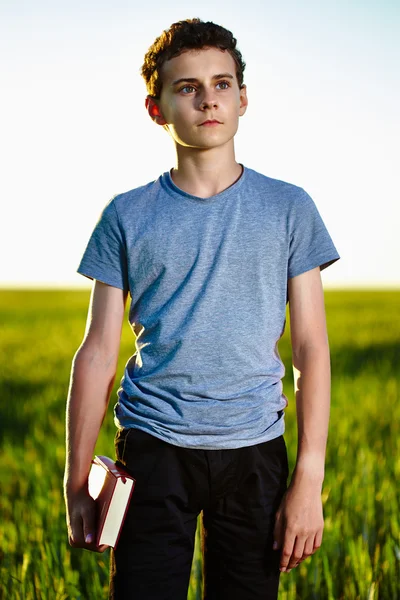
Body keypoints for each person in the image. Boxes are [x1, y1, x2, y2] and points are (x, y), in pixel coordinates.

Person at [63, 18, 340, 600]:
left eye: (221, 83)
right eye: (187, 87)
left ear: (243, 98)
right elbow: (95, 351)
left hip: (255, 452)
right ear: (155, 108)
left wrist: (309, 477)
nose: (207, 98)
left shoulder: (289, 207)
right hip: (152, 449)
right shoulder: (126, 214)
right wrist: (75, 478)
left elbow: (311, 349)